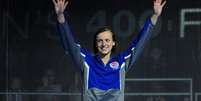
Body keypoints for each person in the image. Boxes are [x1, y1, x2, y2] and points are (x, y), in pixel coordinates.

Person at [52, 0, 166, 100]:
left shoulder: (121, 62)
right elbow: (70, 43)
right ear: (96, 44)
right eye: (100, 41)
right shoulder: (87, 62)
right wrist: (61, 17)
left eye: (107, 40)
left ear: (113, 43)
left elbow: (140, 43)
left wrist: (155, 16)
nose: (104, 44)